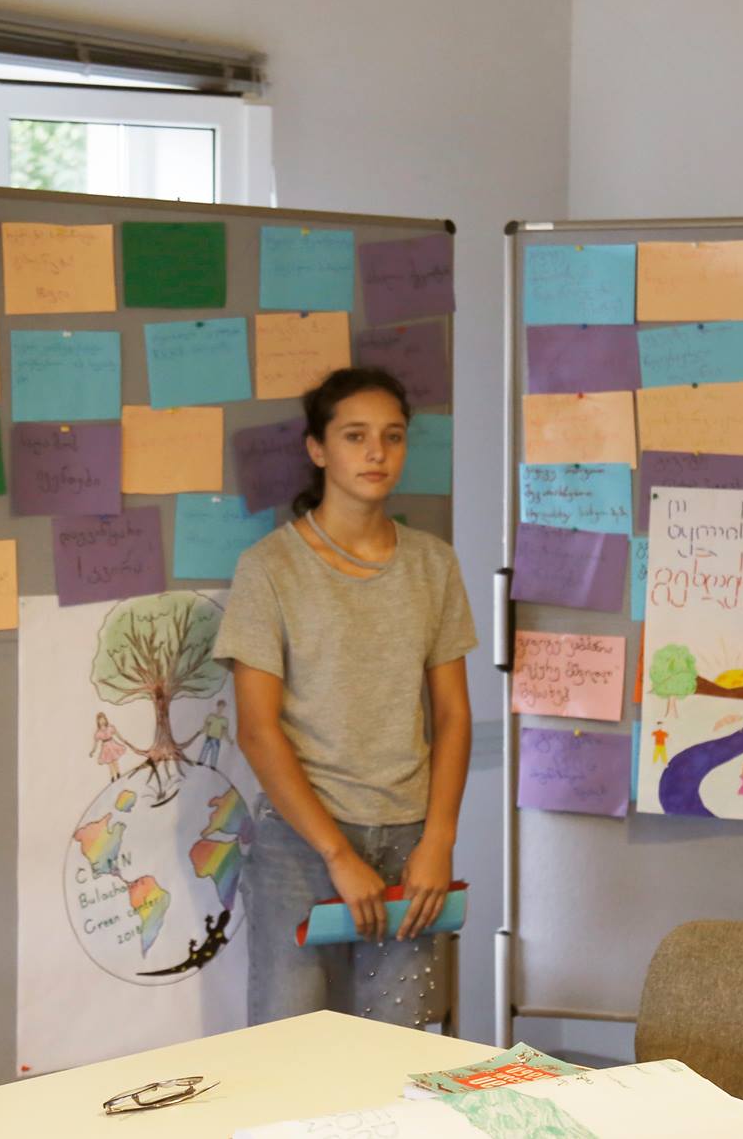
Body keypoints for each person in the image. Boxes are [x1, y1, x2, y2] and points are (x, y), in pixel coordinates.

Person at [215, 367, 477, 1027]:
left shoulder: (433, 564)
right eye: (355, 436)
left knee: (402, 1053)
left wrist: (439, 838)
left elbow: (452, 714)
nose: (376, 452)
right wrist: (336, 853)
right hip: (300, 844)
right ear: (318, 448)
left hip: (411, 842)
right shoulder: (269, 568)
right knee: (289, 1047)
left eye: (393, 436)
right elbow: (257, 729)